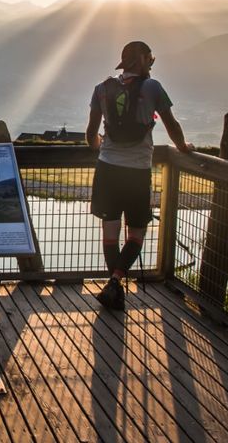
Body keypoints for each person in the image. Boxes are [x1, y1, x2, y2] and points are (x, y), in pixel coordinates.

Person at [86, 40, 193, 310]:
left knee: (109, 235)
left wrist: (100, 148)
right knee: (136, 235)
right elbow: (171, 124)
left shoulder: (101, 89)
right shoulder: (153, 88)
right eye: (150, 60)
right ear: (143, 61)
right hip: (137, 171)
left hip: (107, 168)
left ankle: (114, 286)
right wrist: (182, 147)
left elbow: (91, 133)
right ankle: (115, 281)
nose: (152, 65)